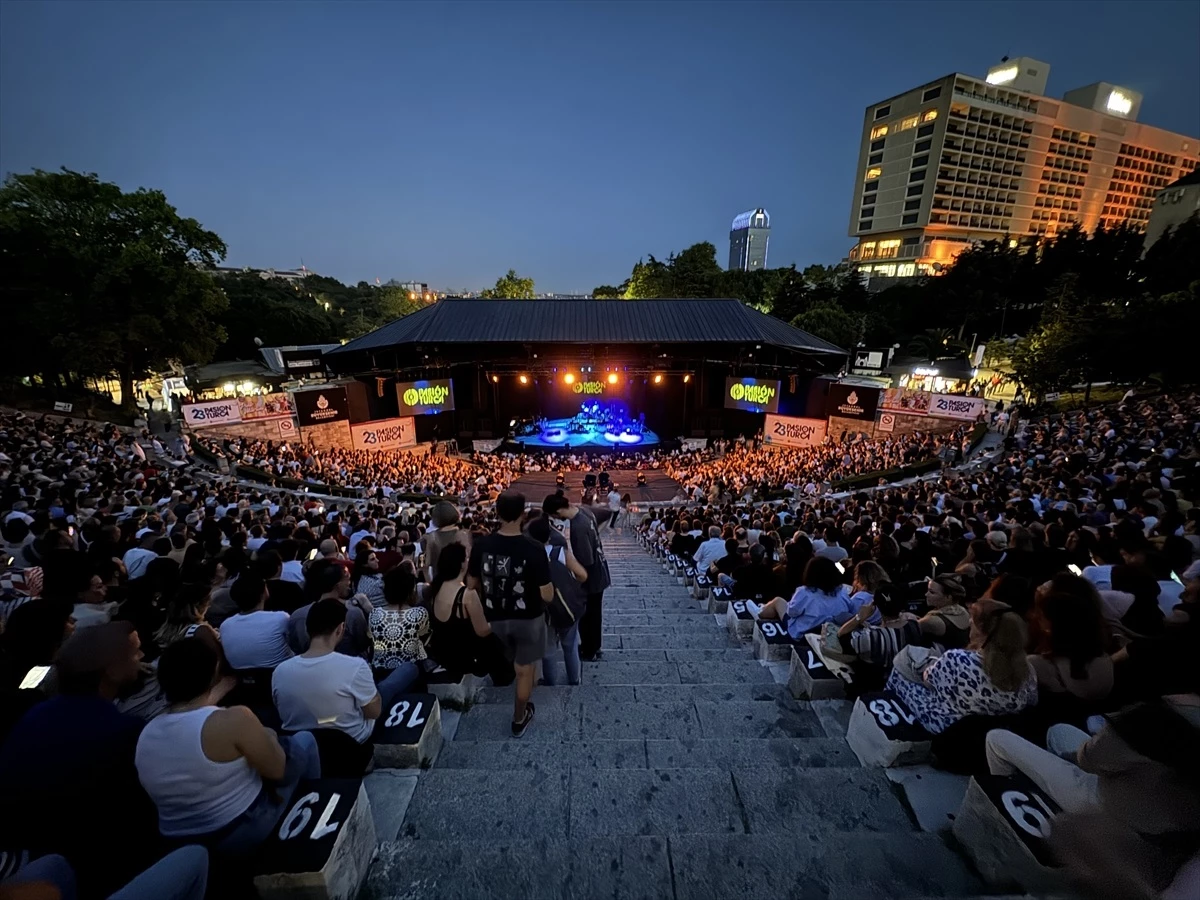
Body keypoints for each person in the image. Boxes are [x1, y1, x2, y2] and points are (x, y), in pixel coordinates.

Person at [0, 622, 163, 896]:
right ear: (110, 670)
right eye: (135, 653)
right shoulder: (123, 731)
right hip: (81, 865)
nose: (143, 657)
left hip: (29, 846)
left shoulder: (35, 715)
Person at [136, 637, 320, 856]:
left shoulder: (146, 733)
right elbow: (280, 771)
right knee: (303, 741)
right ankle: (317, 813)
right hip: (241, 830)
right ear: (214, 674)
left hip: (179, 844)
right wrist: (269, 735)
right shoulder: (233, 719)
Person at [273, 597, 416, 743]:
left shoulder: (280, 671)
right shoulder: (355, 666)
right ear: (341, 628)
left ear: (308, 629)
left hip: (300, 742)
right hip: (352, 742)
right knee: (406, 671)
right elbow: (374, 712)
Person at [886, 599, 1038, 734]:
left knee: (902, 662)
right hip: (994, 729)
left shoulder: (958, 660)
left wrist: (935, 663)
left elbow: (929, 680)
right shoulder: (1028, 671)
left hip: (946, 725)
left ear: (982, 631)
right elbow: (1031, 701)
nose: (970, 621)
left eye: (974, 619)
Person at [471, 491, 553, 737]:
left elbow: (471, 583)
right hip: (528, 620)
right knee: (525, 671)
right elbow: (547, 595)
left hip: (493, 619)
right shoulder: (535, 549)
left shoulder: (482, 545)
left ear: (497, 513)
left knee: (509, 666)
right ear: (522, 515)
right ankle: (519, 718)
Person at [543, 492, 610, 662]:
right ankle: (595, 646)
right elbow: (606, 514)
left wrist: (573, 579)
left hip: (591, 576)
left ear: (558, 511)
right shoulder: (585, 511)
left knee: (587, 615)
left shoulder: (578, 527)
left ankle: (589, 650)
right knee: (596, 614)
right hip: (601, 570)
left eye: (553, 516)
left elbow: (585, 561)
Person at [527, 515, 587, 686]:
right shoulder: (559, 552)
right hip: (567, 606)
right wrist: (570, 585)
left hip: (544, 611)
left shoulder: (529, 559)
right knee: (570, 645)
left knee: (548, 649)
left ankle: (550, 681)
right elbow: (582, 575)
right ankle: (574, 679)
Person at [289, 559, 372, 659]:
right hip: (348, 667)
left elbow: (294, 645)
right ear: (338, 585)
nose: (349, 583)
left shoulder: (298, 615)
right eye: (348, 579)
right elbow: (362, 644)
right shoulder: (352, 613)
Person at [757, 557, 857, 638]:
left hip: (801, 633)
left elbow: (791, 612)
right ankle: (763, 608)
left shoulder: (804, 592)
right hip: (826, 633)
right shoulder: (843, 592)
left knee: (778, 601)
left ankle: (759, 612)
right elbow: (849, 609)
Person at [219, 574, 294, 671]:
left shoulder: (225, 625)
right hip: (282, 673)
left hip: (243, 679)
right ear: (264, 593)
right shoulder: (280, 618)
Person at [369, 562, 431, 669]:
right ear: (410, 590)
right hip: (410, 675)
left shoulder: (374, 614)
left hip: (380, 672)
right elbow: (424, 637)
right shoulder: (419, 613)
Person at [916, 573, 972, 649]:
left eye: (932, 592)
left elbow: (908, 630)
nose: (926, 594)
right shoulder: (963, 611)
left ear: (948, 597)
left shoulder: (932, 621)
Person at [351, 545, 387, 610]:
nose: (377, 560)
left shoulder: (355, 581)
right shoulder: (377, 582)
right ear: (364, 564)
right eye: (372, 559)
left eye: (376, 558)